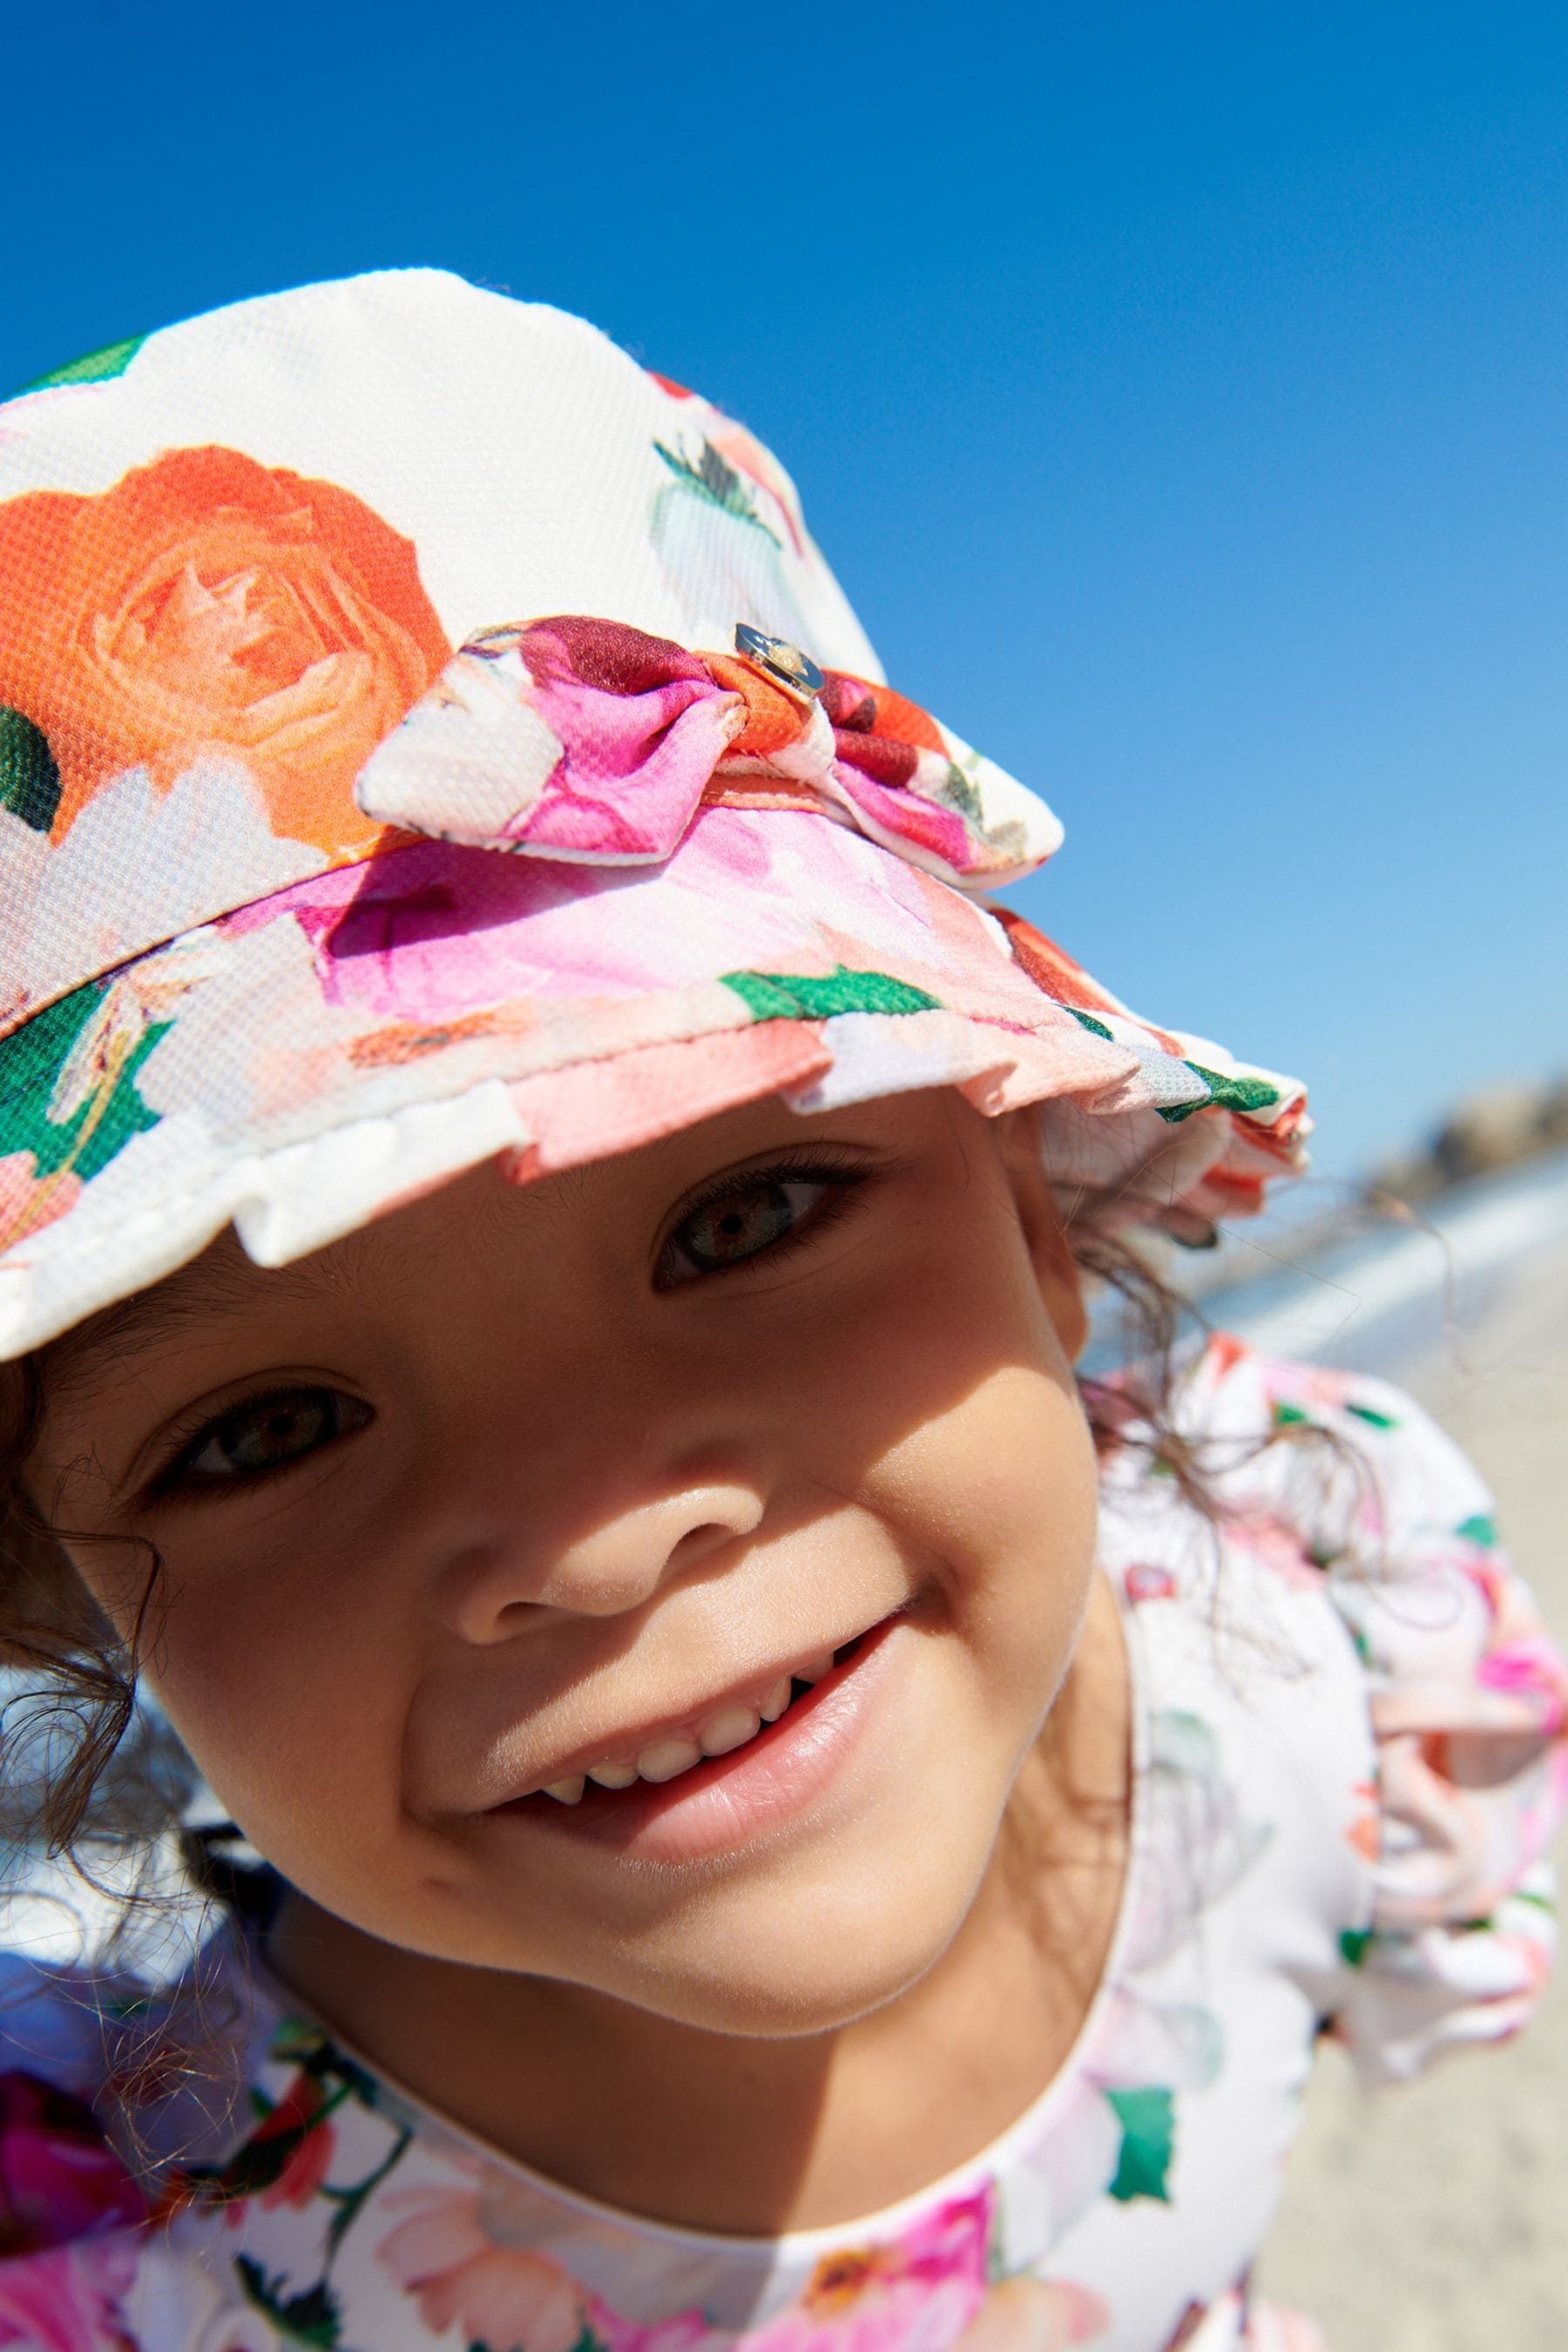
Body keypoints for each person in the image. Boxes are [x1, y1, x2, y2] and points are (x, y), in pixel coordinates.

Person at [0, 271, 1559, 2352]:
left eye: (748, 1216)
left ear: (1032, 1198)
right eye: (261, 1428)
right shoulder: (156, 2273)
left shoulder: (1304, 1639)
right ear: (62, 1592)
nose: (605, 1532)